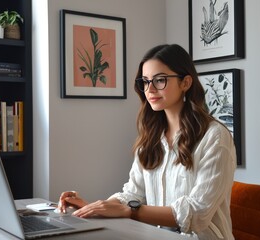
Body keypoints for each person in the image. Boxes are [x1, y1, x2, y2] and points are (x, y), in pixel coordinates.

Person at [58, 44, 236, 239]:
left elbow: (197, 213)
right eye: (145, 81)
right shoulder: (151, 137)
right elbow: (133, 194)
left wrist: (130, 211)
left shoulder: (215, 137)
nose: (149, 89)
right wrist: (94, 207)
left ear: (185, 83)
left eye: (160, 80)